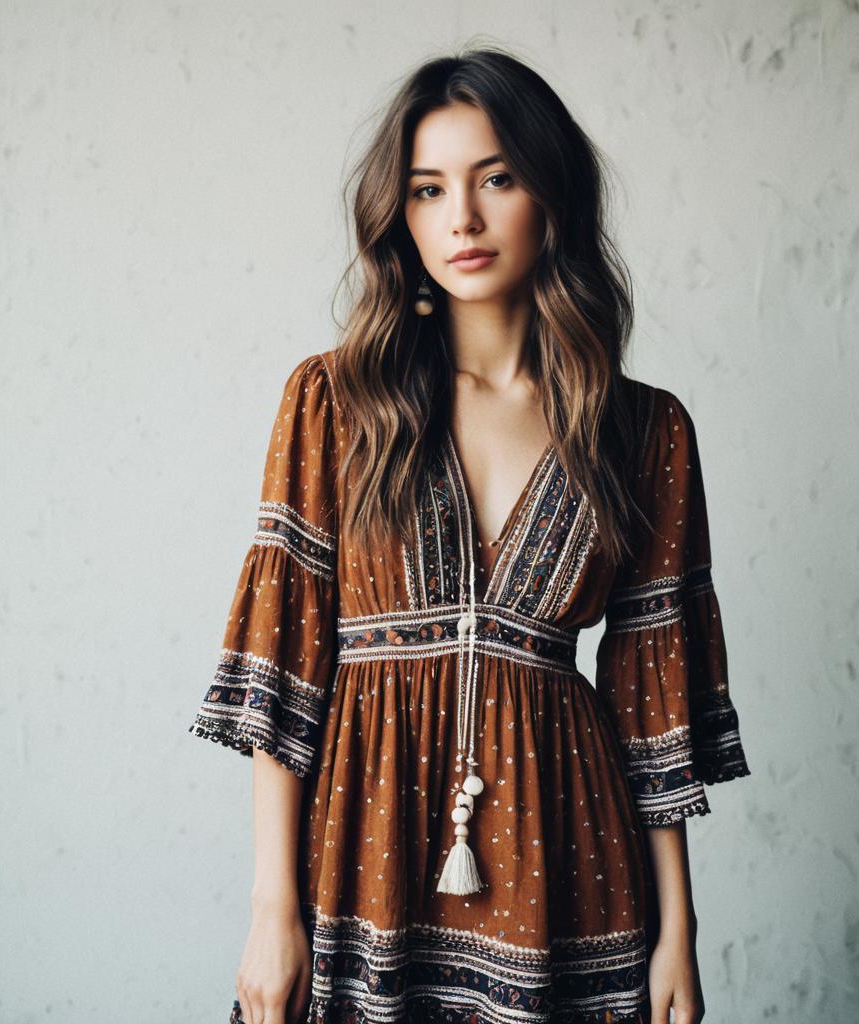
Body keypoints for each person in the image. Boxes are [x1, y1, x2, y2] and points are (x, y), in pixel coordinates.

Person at [189, 45, 751, 1024]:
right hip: (359, 852)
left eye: (496, 178)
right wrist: (271, 907)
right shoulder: (333, 401)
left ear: (552, 197)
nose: (462, 218)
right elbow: (287, 674)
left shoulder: (644, 430)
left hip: (568, 862)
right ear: (398, 216)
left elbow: (648, 699)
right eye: (427, 189)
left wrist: (679, 930)